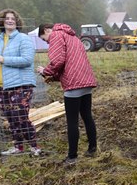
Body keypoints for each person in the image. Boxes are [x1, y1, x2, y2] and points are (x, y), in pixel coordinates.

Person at [37, 23, 98, 165]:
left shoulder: (56, 35)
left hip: (73, 84)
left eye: (45, 39)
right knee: (87, 116)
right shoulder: (73, 37)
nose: (47, 42)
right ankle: (92, 149)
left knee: (72, 121)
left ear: (47, 30)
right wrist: (54, 77)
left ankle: (72, 157)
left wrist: (45, 71)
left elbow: (58, 61)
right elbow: (70, 63)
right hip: (86, 81)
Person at [0, 9, 41, 156]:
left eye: (13, 19)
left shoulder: (23, 38)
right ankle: (18, 147)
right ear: (2, 21)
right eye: (7, 18)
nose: (10, 21)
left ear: (17, 22)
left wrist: (4, 59)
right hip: (2, 85)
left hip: (21, 84)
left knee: (21, 117)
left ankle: (35, 148)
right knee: (10, 118)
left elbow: (27, 60)